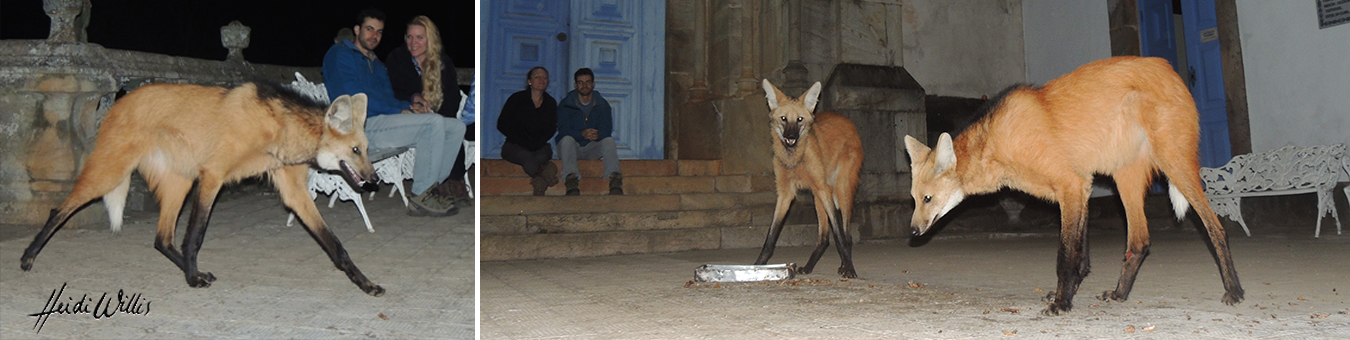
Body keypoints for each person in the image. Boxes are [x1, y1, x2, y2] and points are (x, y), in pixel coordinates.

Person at [322, 8, 465, 216]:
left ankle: (432, 187)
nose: (374, 36)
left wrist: (409, 106)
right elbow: (353, 98)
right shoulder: (339, 55)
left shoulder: (376, 64)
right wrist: (398, 109)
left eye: (379, 31)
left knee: (455, 126)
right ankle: (420, 195)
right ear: (356, 29)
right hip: (358, 129)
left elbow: (389, 96)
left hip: (383, 122)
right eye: (369, 29)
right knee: (432, 122)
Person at [385, 15, 471, 205]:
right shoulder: (397, 58)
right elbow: (394, 91)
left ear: (430, 39)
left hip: (437, 115)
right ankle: (442, 184)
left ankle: (452, 179)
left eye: (419, 37)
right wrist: (414, 98)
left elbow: (453, 96)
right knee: (437, 126)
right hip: (408, 116)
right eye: (409, 37)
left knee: (451, 126)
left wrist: (439, 115)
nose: (413, 42)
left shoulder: (443, 62)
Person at [556, 68, 623, 195]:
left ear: (593, 84)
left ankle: (615, 180)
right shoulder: (566, 104)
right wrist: (581, 134)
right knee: (566, 140)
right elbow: (562, 129)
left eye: (587, 82)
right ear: (575, 85)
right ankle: (571, 180)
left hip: (591, 147)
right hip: (571, 148)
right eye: (580, 82)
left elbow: (607, 129)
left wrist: (598, 135)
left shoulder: (602, 105)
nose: (584, 85)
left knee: (608, 141)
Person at [497, 66, 559, 196]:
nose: (541, 80)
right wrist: (523, 141)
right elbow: (502, 124)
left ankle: (538, 182)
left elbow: (551, 128)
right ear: (529, 81)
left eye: (545, 77)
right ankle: (546, 176)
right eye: (537, 77)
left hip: (539, 146)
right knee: (526, 157)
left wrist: (536, 143)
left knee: (543, 155)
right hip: (515, 145)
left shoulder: (550, 103)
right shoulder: (516, 99)